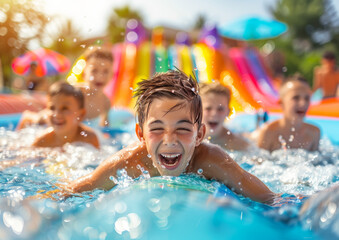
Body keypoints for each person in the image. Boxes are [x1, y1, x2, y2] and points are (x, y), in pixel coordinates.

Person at [56, 70, 277, 204]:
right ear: (140, 134)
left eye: (182, 128)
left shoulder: (213, 160)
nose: (170, 139)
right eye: (157, 128)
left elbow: (270, 199)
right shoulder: (130, 162)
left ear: (199, 134)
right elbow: (78, 189)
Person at [251, 74, 320, 152]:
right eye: (296, 98)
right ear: (281, 103)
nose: (303, 103)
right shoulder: (268, 132)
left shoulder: (314, 133)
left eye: (307, 98)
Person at [199, 82, 249, 151]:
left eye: (220, 109)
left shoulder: (237, 144)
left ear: (228, 112)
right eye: (208, 108)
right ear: (198, 111)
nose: (214, 113)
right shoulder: (189, 137)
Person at [79, 46, 113, 127]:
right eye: (94, 70)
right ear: (84, 73)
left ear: (112, 75)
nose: (100, 76)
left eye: (106, 71)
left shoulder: (106, 102)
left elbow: (105, 128)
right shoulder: (74, 93)